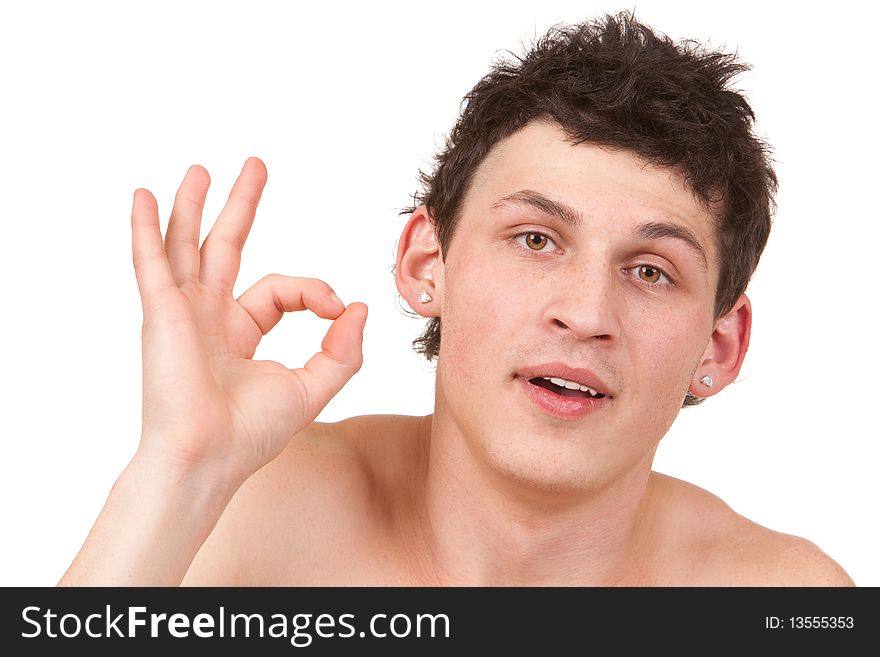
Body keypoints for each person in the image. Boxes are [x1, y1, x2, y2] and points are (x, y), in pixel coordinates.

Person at [59, 12, 854, 586]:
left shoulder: (782, 600)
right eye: (536, 239)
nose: (584, 313)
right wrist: (180, 468)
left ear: (718, 347)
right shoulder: (252, 515)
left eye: (650, 270)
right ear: (426, 262)